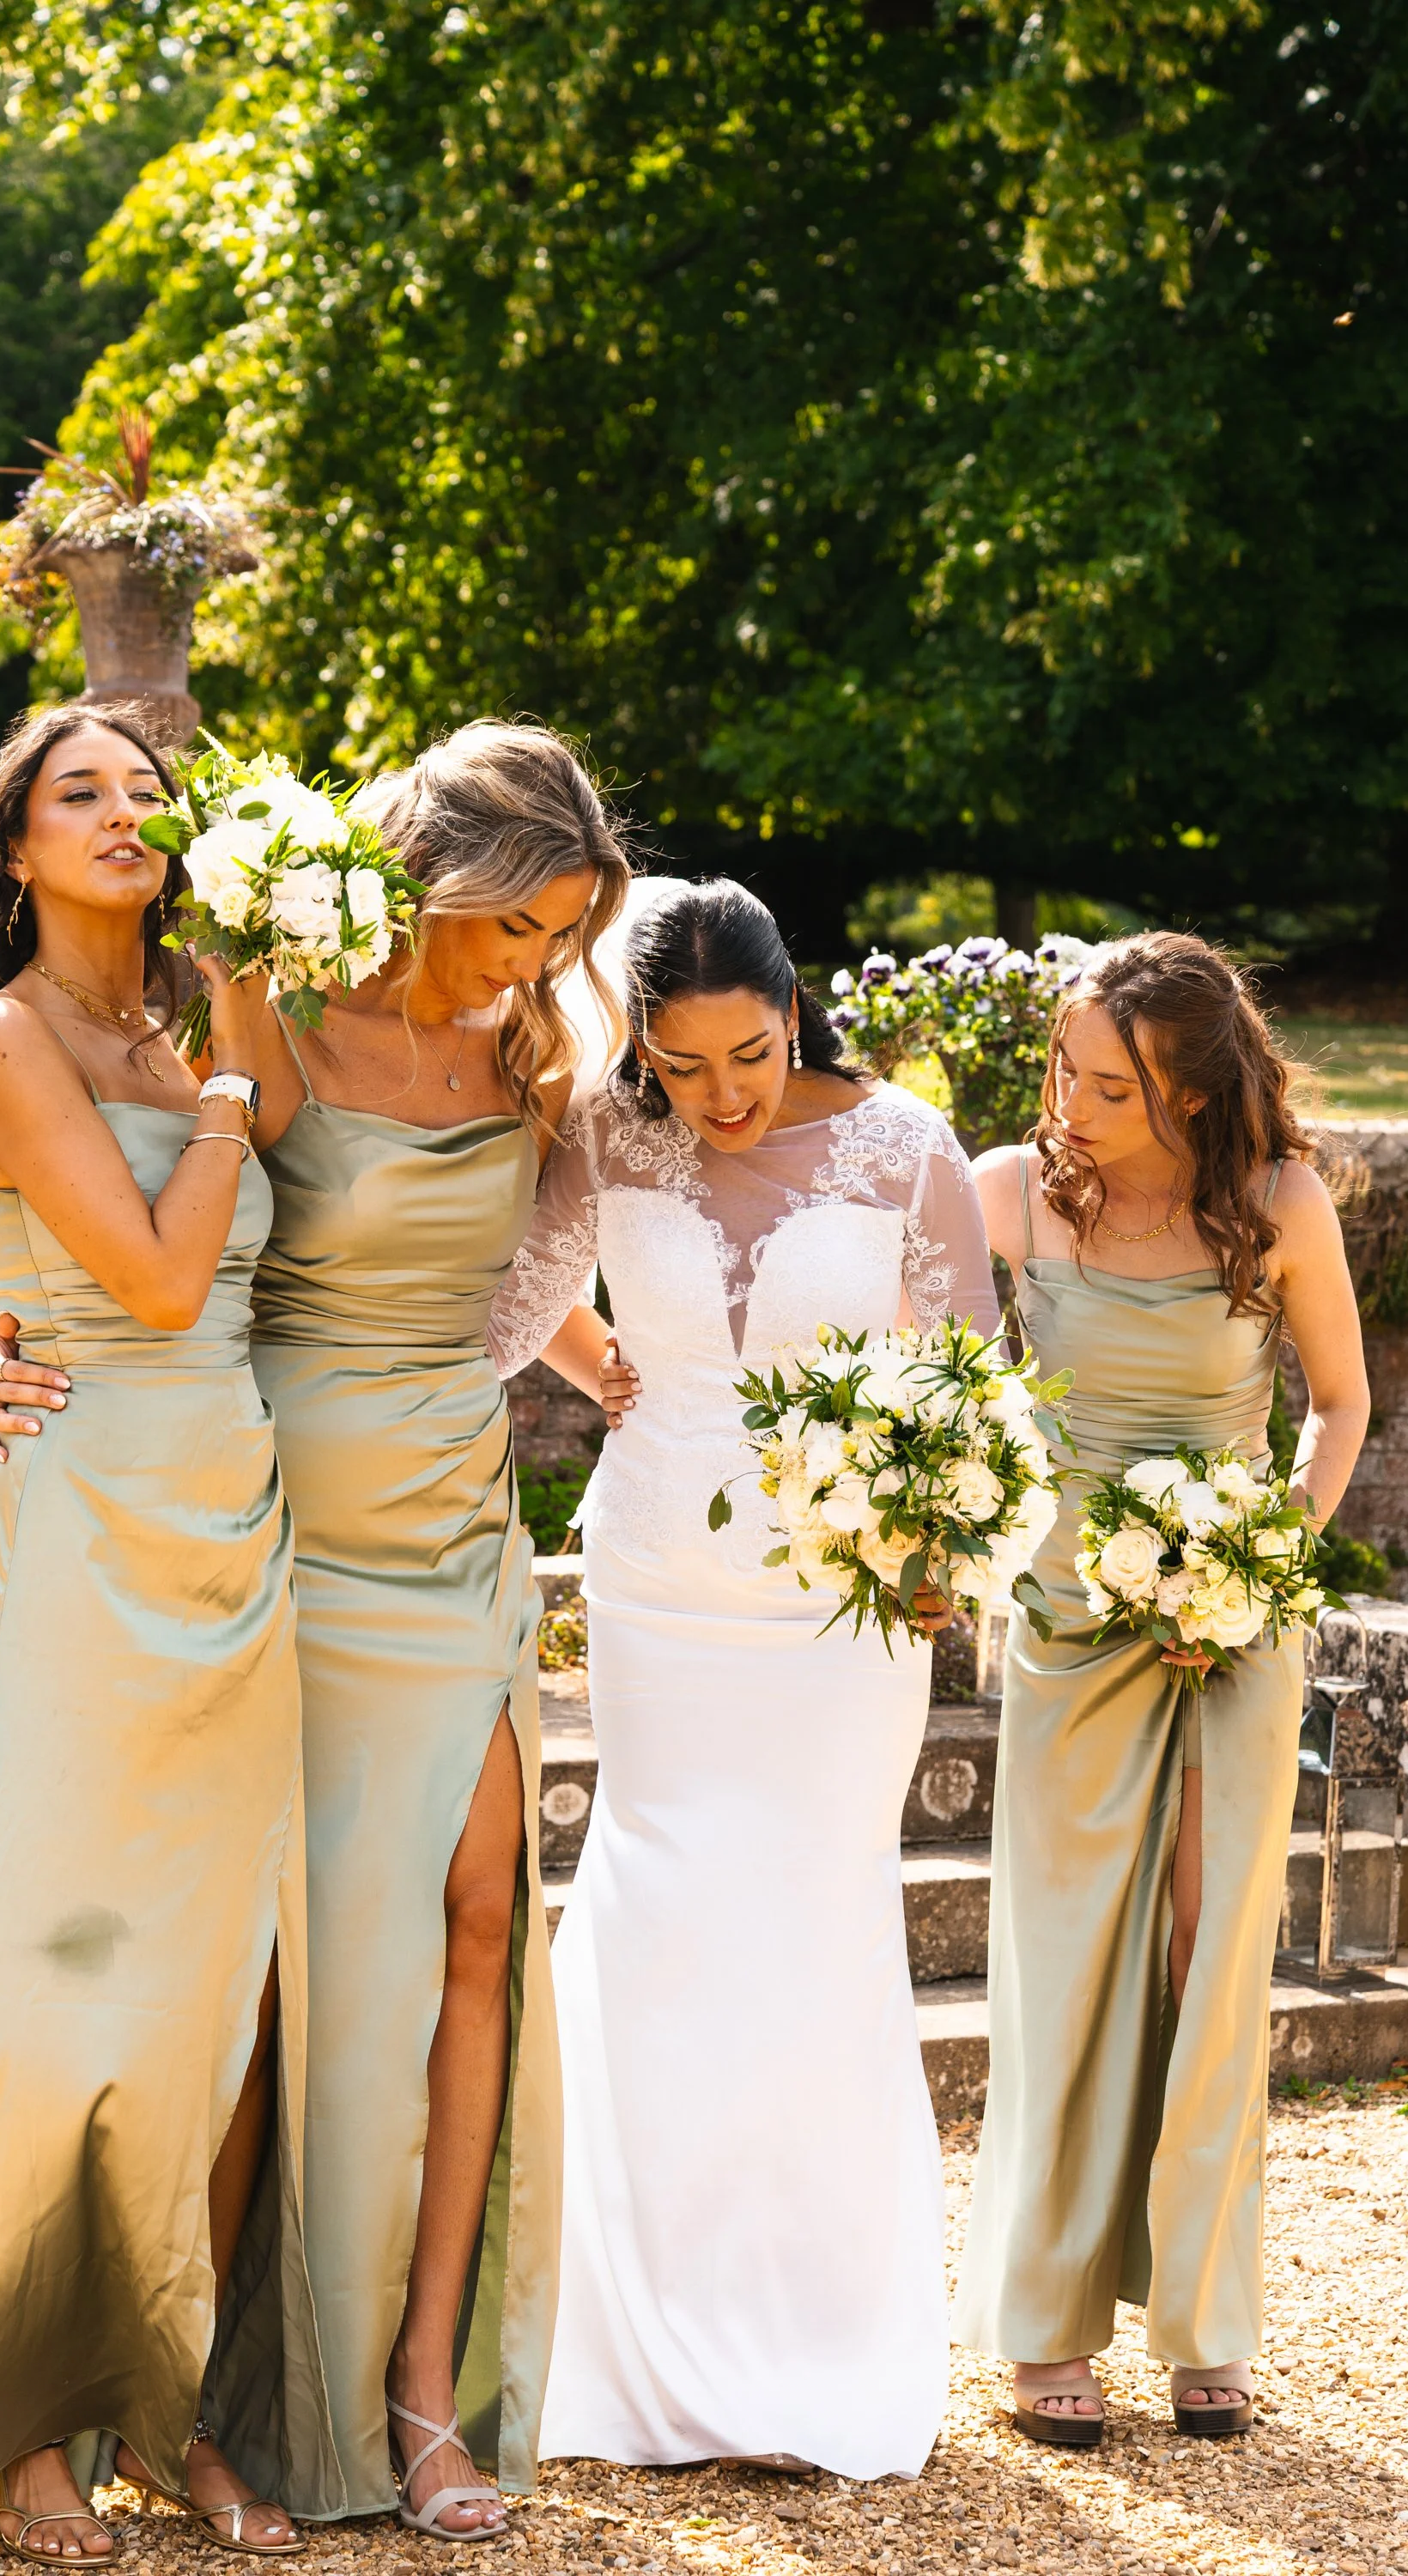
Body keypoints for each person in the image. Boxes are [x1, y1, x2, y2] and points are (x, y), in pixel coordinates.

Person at [0, 720, 631, 2543]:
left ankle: (423, 2386)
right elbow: (141, 1234)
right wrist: (12, 1352)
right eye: (518, 927)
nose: (537, 966)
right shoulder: (261, 1010)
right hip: (291, 1552)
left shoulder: (536, 1060)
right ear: (441, 881)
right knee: (299, 1993)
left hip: (463, 1526)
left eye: (564, 936)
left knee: (487, 1920)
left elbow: (610, 1248)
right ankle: (224, 2393)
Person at [0, 706, 319, 2557]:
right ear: (13, 846)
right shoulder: (12, 1035)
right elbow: (159, 1271)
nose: (125, 814)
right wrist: (212, 1099)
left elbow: (297, 1233)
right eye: (78, 794)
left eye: (145, 790)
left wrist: (240, 1026)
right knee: (48, 1965)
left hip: (239, 1527)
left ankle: (166, 2400)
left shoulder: (210, 994)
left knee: (207, 1989)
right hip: (92, 1532)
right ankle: (15, 2416)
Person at [483, 878, 1002, 2480]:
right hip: (658, 1582)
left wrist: (941, 1546)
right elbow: (499, 1298)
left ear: (798, 1010)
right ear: (639, 1046)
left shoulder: (907, 1148)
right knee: (658, 1907)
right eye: (684, 1064)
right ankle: (630, 2328)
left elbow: (981, 1383)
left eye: (751, 1057)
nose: (721, 1098)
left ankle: (815, 2329)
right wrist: (594, 1359)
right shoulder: (601, 1133)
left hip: (838, 1616)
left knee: (812, 1919)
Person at [953, 931, 1369, 2445]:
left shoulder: (1276, 1206)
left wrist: (1258, 1567)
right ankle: (1045, 2317)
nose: (1068, 1099)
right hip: (1068, 1626)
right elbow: (926, 1369)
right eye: (1062, 1065)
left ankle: (1207, 2315)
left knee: (1212, 1949)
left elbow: (1339, 1406)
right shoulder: (1009, 1195)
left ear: (1188, 1092)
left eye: (1107, 1083)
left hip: (1234, 1626)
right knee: (1063, 1963)